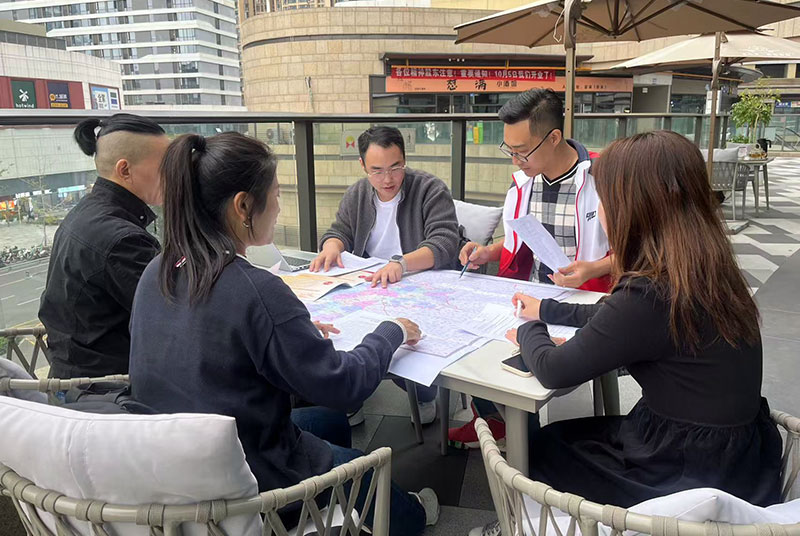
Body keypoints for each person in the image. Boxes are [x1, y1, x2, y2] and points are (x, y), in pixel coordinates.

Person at [128, 132, 439, 536]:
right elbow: (344, 385)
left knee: (328, 422)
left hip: (172, 465)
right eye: (275, 195)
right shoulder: (255, 289)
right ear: (243, 205)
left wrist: (289, 334)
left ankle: (334, 494)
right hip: (248, 480)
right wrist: (391, 331)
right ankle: (410, 515)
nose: (278, 207)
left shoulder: (159, 270)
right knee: (364, 468)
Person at [473, 131, 781, 536]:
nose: (600, 211)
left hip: (683, 470)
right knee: (568, 437)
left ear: (631, 208)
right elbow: (614, 316)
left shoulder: (649, 292)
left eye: (603, 200)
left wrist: (529, 327)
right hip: (738, 454)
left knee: (543, 448)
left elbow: (554, 370)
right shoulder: (702, 268)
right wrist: (546, 308)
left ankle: (525, 524)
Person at [449, 88, 614, 449]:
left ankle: (528, 443)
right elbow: (522, 243)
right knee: (471, 344)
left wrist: (593, 269)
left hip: (586, 302)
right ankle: (496, 421)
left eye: (522, 151)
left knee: (531, 364)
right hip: (532, 298)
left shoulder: (603, 177)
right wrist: (488, 252)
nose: (515, 160)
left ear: (553, 138)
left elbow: (639, 252)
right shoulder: (524, 182)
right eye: (509, 150)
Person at [311, 125, 462, 426]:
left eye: (396, 167)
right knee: (333, 330)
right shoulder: (357, 193)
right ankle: (351, 395)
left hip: (418, 284)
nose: (388, 179)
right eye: (377, 171)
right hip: (371, 285)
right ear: (363, 165)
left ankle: (422, 394)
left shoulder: (429, 188)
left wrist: (401, 264)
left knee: (412, 341)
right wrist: (331, 246)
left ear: (405, 159)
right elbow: (340, 230)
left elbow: (445, 242)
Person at [39, 114, 169, 379]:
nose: (173, 175)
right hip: (108, 386)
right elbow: (178, 315)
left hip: (73, 373)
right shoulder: (122, 240)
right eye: (165, 166)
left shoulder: (87, 212)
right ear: (125, 170)